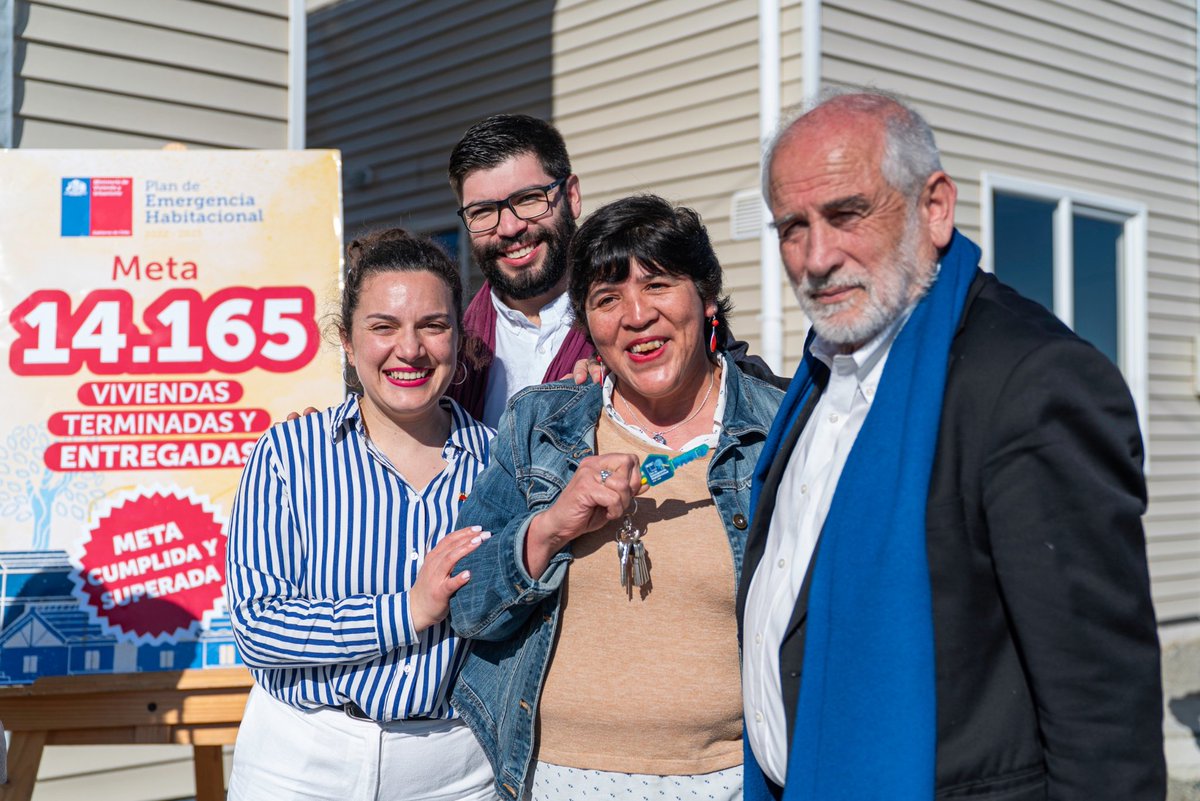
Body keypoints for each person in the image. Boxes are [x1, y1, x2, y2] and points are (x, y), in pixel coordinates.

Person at [738, 90, 1165, 800]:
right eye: (792, 226)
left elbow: (1102, 712)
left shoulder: (1031, 382)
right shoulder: (821, 375)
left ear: (934, 206)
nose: (816, 257)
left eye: (846, 214)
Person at [449, 195, 784, 801]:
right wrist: (549, 529)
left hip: (728, 783)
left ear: (705, 297)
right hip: (550, 778)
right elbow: (467, 604)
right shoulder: (541, 424)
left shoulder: (780, 432)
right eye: (606, 300)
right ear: (588, 328)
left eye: (657, 285)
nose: (635, 315)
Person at [224, 229, 496, 801]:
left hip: (455, 770)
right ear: (347, 341)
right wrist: (408, 611)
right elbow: (257, 624)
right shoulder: (287, 455)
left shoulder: (501, 462)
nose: (411, 349)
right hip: (300, 762)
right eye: (384, 327)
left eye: (433, 325)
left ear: (458, 336)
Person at [447, 114, 784, 426]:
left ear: (571, 195)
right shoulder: (450, 348)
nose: (508, 227)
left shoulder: (643, 321)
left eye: (528, 199)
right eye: (482, 211)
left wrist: (633, 376)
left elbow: (744, 387)